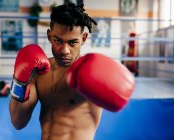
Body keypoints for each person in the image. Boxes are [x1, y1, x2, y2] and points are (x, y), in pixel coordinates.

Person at [9, 3, 135, 140]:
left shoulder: (92, 73)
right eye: (58, 41)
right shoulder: (39, 72)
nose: (64, 50)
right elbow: (18, 122)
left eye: (72, 42)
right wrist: (19, 81)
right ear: (49, 36)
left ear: (84, 39)